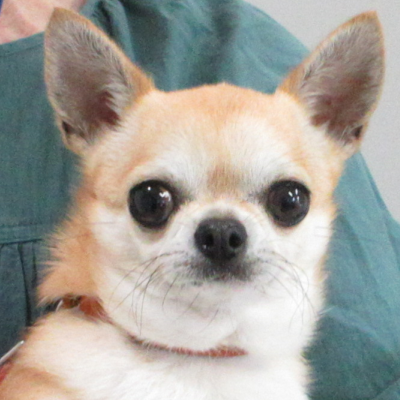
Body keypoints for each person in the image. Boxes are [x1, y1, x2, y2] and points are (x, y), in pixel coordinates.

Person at [0, 1, 399, 399]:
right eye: (155, 203)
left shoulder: (238, 32)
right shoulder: (55, 384)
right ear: (94, 117)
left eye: (284, 203)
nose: (223, 235)